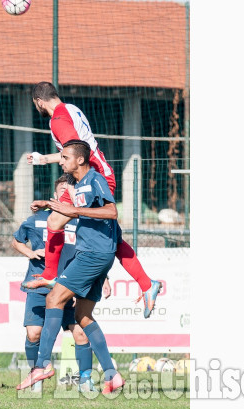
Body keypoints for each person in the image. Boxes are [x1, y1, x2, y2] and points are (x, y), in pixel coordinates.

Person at [22, 81, 162, 319]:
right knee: (105, 236)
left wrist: (60, 175)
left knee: (70, 226)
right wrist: (48, 161)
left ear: (39, 101)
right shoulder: (70, 108)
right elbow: (77, 150)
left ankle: (51, 274)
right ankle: (147, 283)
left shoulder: (57, 120)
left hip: (92, 180)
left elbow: (77, 151)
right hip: (89, 176)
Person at [16, 140, 125, 395]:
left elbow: (112, 212)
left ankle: (41, 366)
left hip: (93, 254)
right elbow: (72, 212)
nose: (61, 161)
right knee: (83, 317)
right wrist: (51, 204)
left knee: (54, 298)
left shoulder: (94, 178)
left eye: (64, 157)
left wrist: (74, 210)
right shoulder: (81, 185)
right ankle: (112, 374)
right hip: (98, 254)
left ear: (80, 160)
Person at [12, 174, 101, 392]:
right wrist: (31, 252)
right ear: (54, 195)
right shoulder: (36, 220)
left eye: (68, 191)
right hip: (39, 285)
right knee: (33, 333)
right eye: (61, 190)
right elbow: (15, 241)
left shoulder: (81, 221)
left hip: (69, 287)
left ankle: (86, 381)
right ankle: (37, 376)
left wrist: (103, 278)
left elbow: (93, 251)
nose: (64, 194)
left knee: (80, 332)